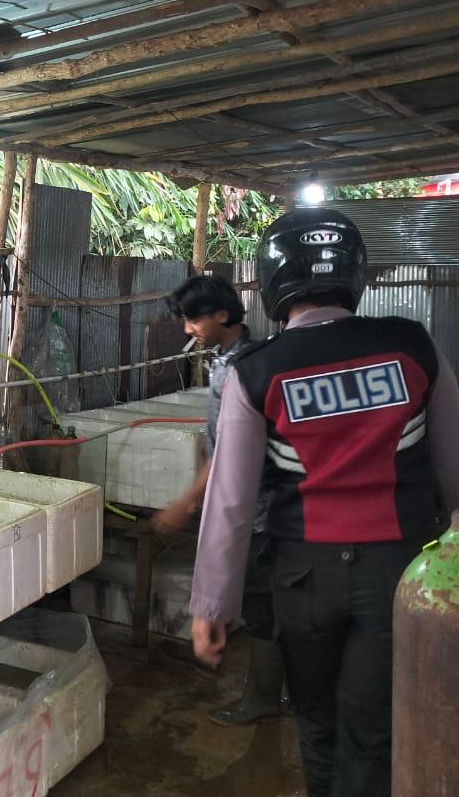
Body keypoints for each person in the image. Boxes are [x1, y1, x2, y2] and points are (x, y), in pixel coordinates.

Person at [189, 207, 459, 797]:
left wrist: (211, 606)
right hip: (400, 571)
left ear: (274, 281)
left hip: (303, 579)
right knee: (375, 733)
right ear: (353, 272)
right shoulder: (411, 346)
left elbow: (231, 502)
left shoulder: (257, 371)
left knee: (317, 727)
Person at [154, 275, 284, 727]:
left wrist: (185, 502)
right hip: (245, 501)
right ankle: (276, 689)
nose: (188, 329)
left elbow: (230, 450)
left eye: (194, 320)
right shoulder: (231, 359)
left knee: (262, 603)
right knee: (260, 599)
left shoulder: (244, 367)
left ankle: (264, 697)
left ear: (223, 316)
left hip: (257, 508)